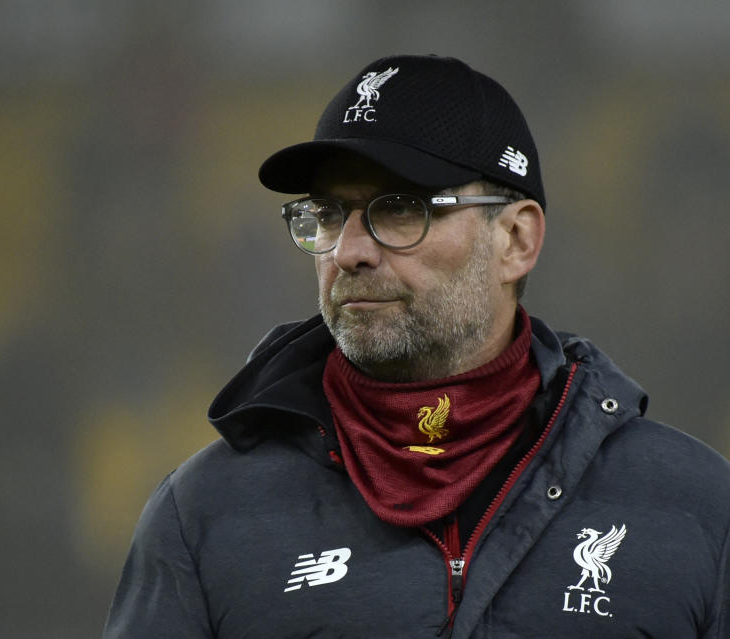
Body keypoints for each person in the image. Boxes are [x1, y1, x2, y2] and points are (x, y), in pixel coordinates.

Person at [103, 55, 730, 638]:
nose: (347, 251)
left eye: (399, 210)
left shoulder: (699, 507)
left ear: (516, 239)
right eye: (326, 214)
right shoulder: (204, 516)